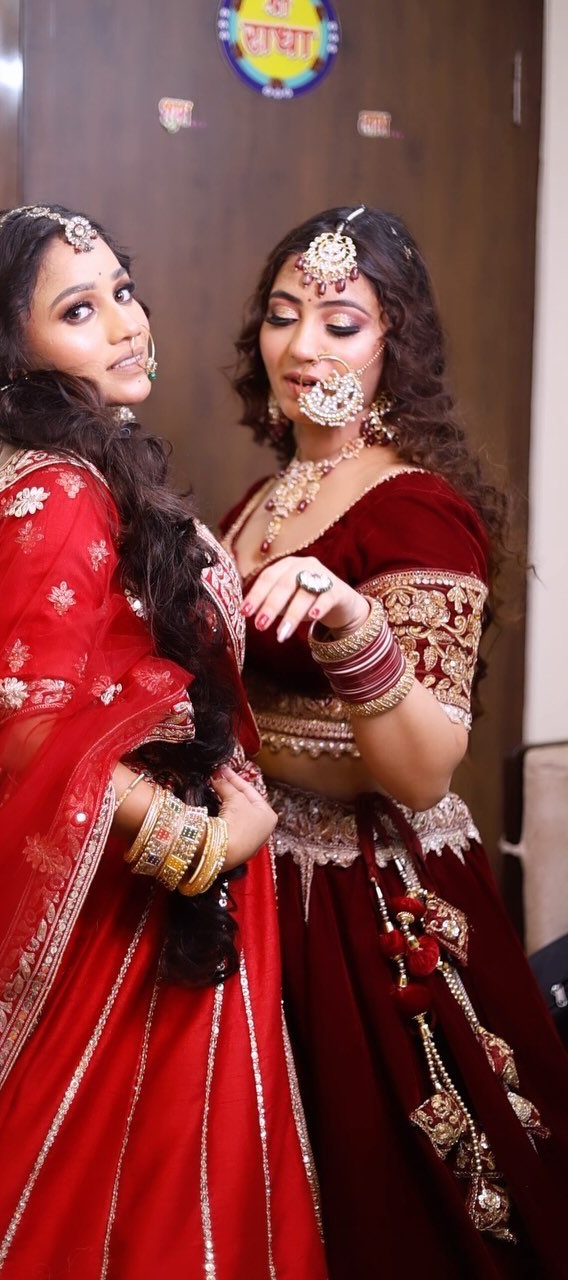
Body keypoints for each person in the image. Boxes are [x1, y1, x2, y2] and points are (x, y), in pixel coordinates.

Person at [0, 205, 326, 1280]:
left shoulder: (90, 470)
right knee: (105, 1201)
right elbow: (27, 726)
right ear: (14, 355)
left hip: (152, 898)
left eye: (122, 289)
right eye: (78, 309)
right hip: (130, 917)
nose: (124, 322)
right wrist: (198, 844)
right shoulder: (60, 490)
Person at [221, 205, 568, 1280]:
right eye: (283, 315)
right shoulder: (263, 499)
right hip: (253, 878)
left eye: (341, 323)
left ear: (394, 347)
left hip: (361, 898)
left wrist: (353, 624)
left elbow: (422, 768)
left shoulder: (417, 510)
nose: (303, 348)